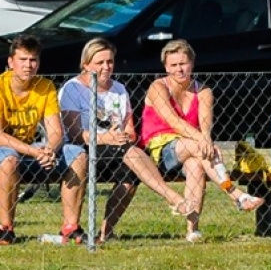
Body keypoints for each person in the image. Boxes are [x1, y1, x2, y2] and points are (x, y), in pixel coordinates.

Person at [58, 38, 188, 241]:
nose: (106, 67)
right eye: (100, 62)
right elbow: (74, 133)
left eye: (110, 61)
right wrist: (105, 137)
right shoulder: (72, 89)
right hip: (84, 148)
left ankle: (105, 232)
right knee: (130, 152)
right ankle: (171, 196)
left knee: (130, 172)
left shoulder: (119, 89)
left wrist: (121, 136)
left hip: (118, 147)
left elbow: (131, 131)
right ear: (86, 64)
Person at [0, 35, 81, 245]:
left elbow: (56, 131)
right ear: (11, 62)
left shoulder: (46, 87)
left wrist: (50, 150)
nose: (28, 65)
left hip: (25, 150)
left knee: (77, 155)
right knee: (9, 159)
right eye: (23, 59)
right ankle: (6, 230)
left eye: (33, 60)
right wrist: (35, 152)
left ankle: (71, 228)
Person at [139, 40, 261, 243]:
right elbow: (173, 121)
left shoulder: (203, 91)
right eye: (174, 65)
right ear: (166, 67)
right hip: (163, 147)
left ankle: (192, 230)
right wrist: (204, 141)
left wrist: (206, 139)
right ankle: (236, 195)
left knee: (196, 165)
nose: (179, 69)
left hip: (192, 148)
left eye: (183, 64)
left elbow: (205, 125)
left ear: (192, 64)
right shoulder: (158, 87)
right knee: (200, 148)